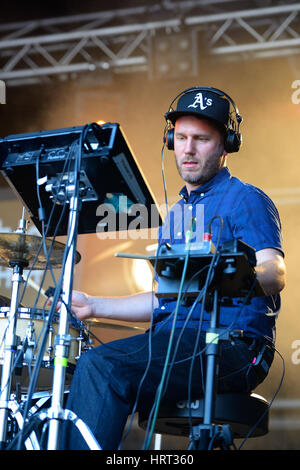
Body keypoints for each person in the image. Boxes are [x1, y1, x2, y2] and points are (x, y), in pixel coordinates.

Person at [60, 87, 286, 450]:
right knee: (80, 369)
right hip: (175, 341)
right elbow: (164, 301)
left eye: (201, 139)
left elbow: (275, 271)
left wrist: (230, 276)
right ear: (170, 141)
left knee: (103, 367)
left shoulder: (248, 199)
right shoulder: (176, 215)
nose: (188, 149)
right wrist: (94, 305)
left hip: (233, 347)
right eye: (180, 138)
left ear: (226, 145)